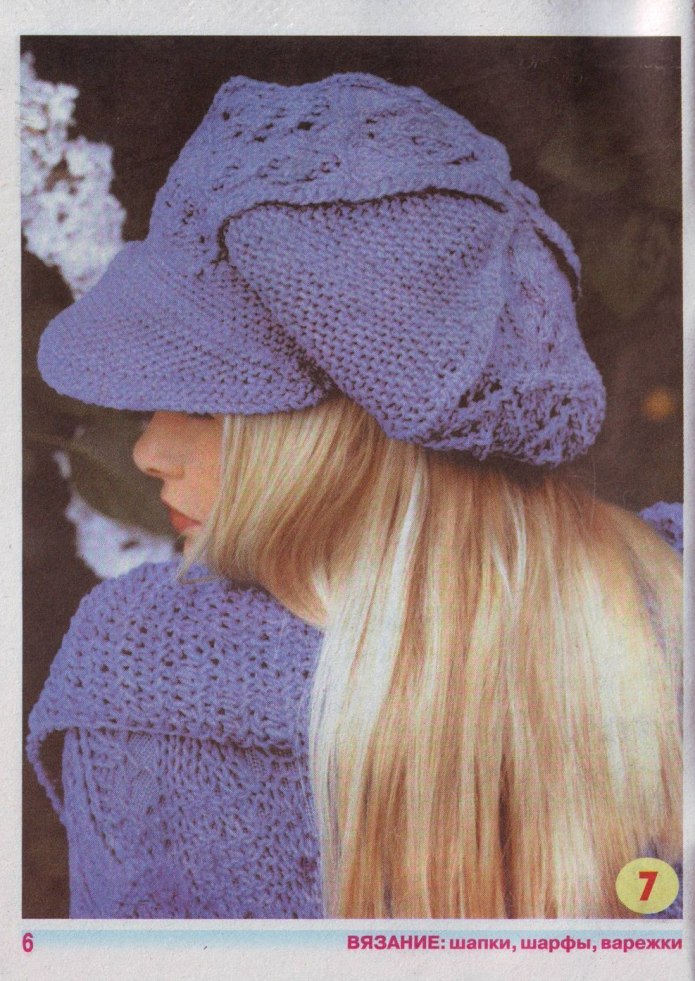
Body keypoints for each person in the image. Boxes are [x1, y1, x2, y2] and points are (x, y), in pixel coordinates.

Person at [27, 72, 682, 919]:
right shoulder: (663, 608)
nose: (148, 451)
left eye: (206, 401)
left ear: (355, 433)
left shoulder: (144, 672)